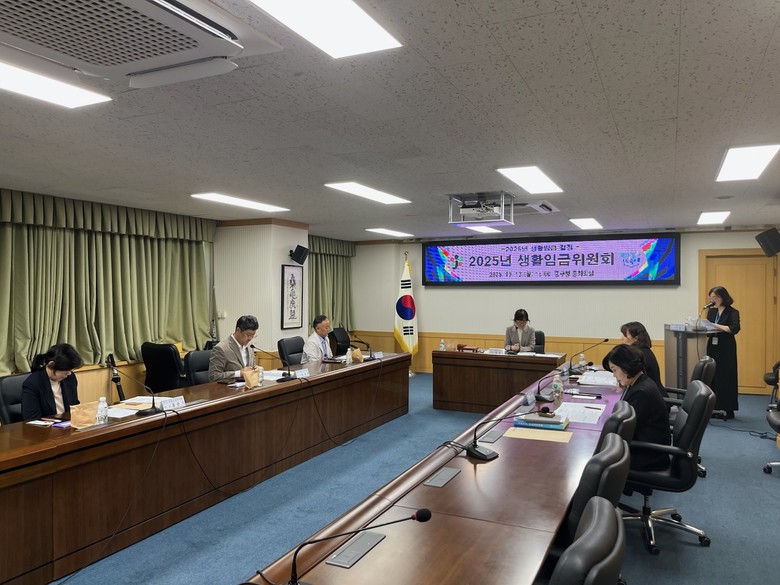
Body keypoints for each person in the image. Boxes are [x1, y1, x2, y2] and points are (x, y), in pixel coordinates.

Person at [603, 344, 670, 470]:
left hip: (648, 455)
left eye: (614, 370)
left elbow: (623, 429)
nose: (614, 375)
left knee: (597, 455)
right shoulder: (641, 382)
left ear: (626, 367)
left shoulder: (641, 393)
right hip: (646, 447)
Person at [22, 343, 83, 421]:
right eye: (66, 370)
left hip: (67, 424)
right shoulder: (33, 384)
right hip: (46, 427)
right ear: (51, 365)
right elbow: (32, 419)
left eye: (70, 370)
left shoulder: (70, 378)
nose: (69, 373)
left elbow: (74, 406)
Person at [705, 285, 741, 419]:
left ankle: (728, 409)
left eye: (715, 297)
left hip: (726, 347)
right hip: (713, 346)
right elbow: (708, 328)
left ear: (723, 297)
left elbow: (734, 328)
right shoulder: (711, 312)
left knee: (726, 376)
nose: (712, 300)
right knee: (712, 375)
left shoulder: (732, 312)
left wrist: (716, 326)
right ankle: (714, 408)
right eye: (711, 297)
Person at [620, 321, 666, 397]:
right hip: (650, 393)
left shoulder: (638, 355)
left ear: (636, 338)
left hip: (651, 397)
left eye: (625, 335)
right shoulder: (643, 350)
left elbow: (628, 378)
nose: (621, 338)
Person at [208, 315, 259, 382]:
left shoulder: (250, 346)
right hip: (227, 387)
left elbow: (251, 368)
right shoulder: (221, 348)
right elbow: (213, 376)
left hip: (248, 385)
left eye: (253, 335)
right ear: (238, 330)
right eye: (248, 335)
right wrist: (239, 373)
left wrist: (256, 369)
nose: (250, 338)